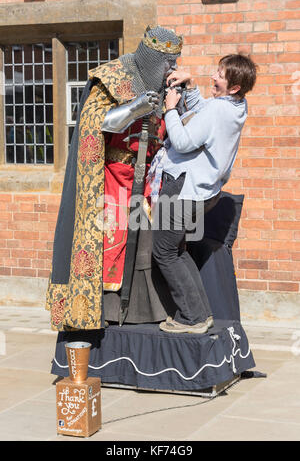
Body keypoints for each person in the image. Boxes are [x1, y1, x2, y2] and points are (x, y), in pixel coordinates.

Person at [46, 26, 183, 331]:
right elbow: (94, 123)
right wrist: (135, 108)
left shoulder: (168, 86)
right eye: (167, 62)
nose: (171, 68)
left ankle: (145, 314)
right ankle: (106, 312)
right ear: (152, 57)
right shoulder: (112, 77)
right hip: (110, 179)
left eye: (175, 61)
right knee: (111, 243)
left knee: (147, 244)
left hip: (147, 181)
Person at [151, 53, 257, 334]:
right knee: (177, 248)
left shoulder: (219, 110)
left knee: (163, 251)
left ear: (234, 87)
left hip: (184, 189)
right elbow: (205, 115)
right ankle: (199, 313)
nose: (214, 77)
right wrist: (191, 86)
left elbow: (184, 140)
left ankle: (192, 318)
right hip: (204, 193)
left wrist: (170, 109)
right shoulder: (236, 105)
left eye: (220, 76)